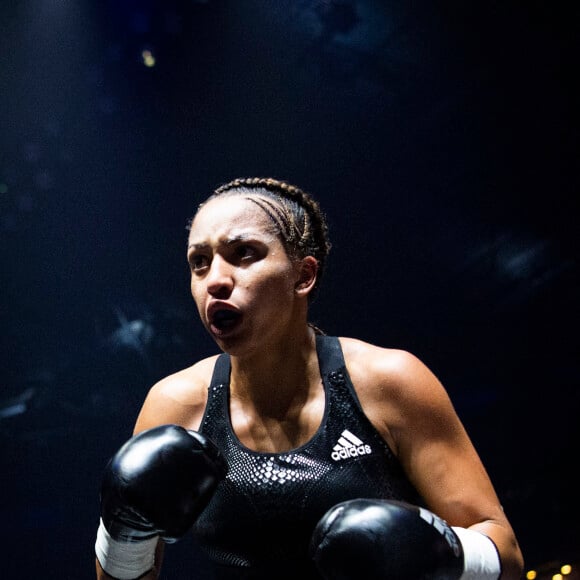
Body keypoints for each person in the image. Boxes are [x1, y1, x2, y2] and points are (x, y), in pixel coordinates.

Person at [94, 177, 524, 580]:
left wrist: (441, 550)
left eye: (243, 253)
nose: (216, 280)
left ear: (303, 275)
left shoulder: (389, 382)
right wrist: (121, 533)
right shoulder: (174, 405)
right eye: (199, 262)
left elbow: (506, 555)